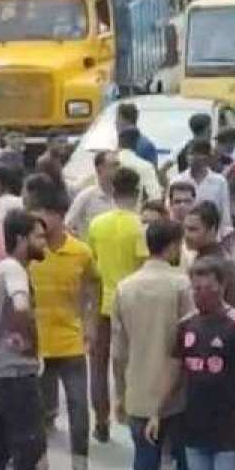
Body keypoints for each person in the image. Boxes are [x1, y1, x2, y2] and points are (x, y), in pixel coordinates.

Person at [153, 257, 235, 470]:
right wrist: (156, 411)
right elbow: (173, 371)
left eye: (209, 288)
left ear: (222, 287)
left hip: (229, 430)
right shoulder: (186, 326)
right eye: (197, 289)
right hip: (194, 428)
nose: (202, 294)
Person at [27, 177, 100, 470]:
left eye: (46, 212)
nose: (40, 219)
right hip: (37, 348)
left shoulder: (80, 252)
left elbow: (95, 285)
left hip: (70, 344)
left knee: (79, 411)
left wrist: (91, 324)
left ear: (60, 214)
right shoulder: (28, 253)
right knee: (40, 415)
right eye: (35, 212)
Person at [112, 219, 193, 470]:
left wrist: (120, 395)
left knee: (144, 469)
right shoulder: (181, 285)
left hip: (139, 391)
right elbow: (189, 339)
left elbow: (118, 350)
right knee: (186, 469)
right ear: (172, 247)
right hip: (179, 393)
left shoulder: (125, 288)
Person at [0, 210, 48, 470]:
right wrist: (28, 341)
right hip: (15, 375)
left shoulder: (1, 268)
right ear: (21, 239)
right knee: (27, 448)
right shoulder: (14, 269)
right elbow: (20, 306)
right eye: (38, 237)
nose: (44, 243)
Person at [86, 167, 148, 442]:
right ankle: (131, 413)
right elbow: (144, 267)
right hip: (132, 304)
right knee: (133, 363)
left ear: (112, 191)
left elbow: (92, 265)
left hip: (102, 300)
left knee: (98, 364)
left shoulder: (97, 224)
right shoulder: (140, 227)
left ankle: (101, 419)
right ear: (137, 193)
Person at [184, 201, 235, 310]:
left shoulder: (225, 264)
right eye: (185, 229)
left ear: (212, 230)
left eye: (193, 229)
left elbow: (233, 311)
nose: (187, 235)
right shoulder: (197, 257)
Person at [174, 139, 234, 240]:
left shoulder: (219, 182)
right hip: (184, 239)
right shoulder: (177, 180)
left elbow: (225, 216)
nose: (191, 158)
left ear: (206, 157)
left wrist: (226, 241)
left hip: (212, 239)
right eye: (189, 154)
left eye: (195, 154)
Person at [67, 151, 119, 238]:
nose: (118, 169)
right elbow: (67, 226)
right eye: (113, 165)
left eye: (118, 165)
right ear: (100, 169)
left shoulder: (122, 197)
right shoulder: (86, 196)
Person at [117, 128, 163, 202]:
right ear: (137, 143)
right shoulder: (146, 166)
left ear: (118, 143)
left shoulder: (108, 163)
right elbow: (155, 198)